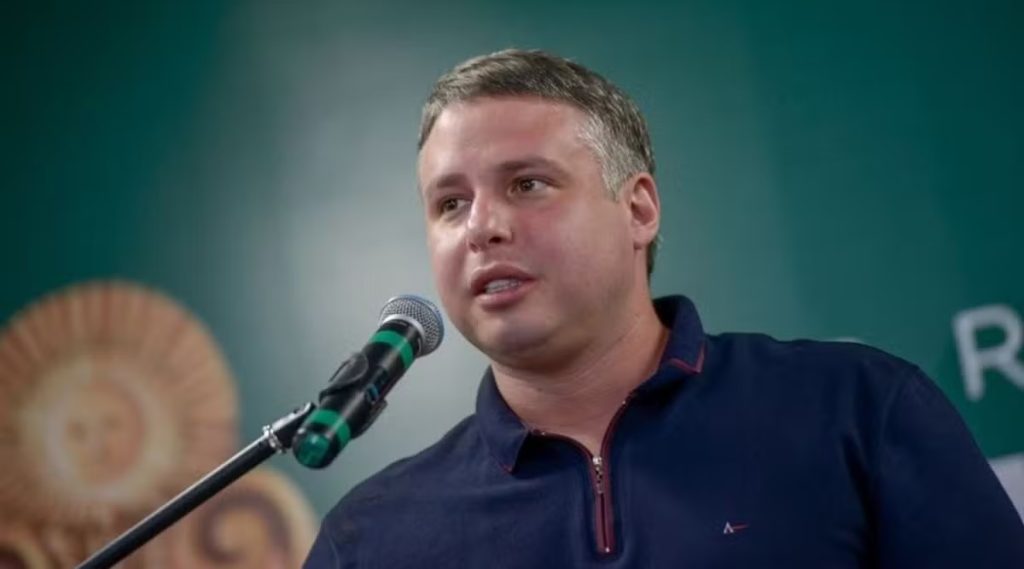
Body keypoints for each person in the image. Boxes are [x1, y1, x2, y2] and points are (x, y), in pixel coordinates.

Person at [304, 49, 1024, 568]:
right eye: (450, 203)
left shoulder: (856, 410)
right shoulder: (368, 541)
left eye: (527, 184)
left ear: (639, 209)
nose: (481, 227)